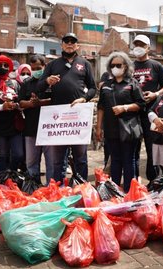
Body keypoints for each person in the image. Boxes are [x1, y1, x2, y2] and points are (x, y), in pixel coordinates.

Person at [37, 33, 97, 181]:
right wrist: (47, 82)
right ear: (62, 45)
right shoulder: (52, 64)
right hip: (58, 118)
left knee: (80, 158)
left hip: (78, 116)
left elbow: (93, 89)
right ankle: (58, 189)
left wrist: (83, 99)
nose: (70, 44)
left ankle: (81, 186)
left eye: (73, 42)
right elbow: (39, 88)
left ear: (77, 45)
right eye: (66, 41)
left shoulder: (84, 64)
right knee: (58, 159)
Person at [96, 51, 144, 192]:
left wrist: (125, 108)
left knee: (128, 161)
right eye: (112, 65)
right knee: (115, 160)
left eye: (118, 65)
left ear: (125, 66)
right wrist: (98, 128)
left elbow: (141, 104)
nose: (115, 67)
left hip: (128, 129)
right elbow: (101, 107)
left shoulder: (132, 83)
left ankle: (130, 191)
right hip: (111, 129)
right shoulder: (106, 85)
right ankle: (115, 191)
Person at [131, 34, 163, 181]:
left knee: (152, 148)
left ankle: (153, 181)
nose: (138, 47)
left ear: (148, 48)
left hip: (151, 112)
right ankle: (134, 180)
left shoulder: (156, 66)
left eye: (142, 45)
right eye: (136, 44)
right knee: (133, 149)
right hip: (133, 112)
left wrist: (155, 94)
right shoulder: (130, 65)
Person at [19, 54, 52, 182]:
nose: (36, 71)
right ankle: (34, 186)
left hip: (49, 128)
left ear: (44, 66)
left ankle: (51, 186)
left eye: (39, 67)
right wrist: (31, 103)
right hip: (31, 128)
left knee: (51, 162)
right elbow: (20, 102)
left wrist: (41, 102)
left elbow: (56, 100)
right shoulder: (26, 83)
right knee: (31, 162)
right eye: (33, 68)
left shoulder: (51, 82)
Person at [0, 55, 24, 173]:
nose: (3, 67)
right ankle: (1, 181)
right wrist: (1, 107)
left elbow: (21, 101)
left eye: (6, 65)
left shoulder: (15, 83)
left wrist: (17, 106)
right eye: (0, 65)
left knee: (18, 154)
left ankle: (11, 175)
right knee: (2, 155)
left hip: (14, 125)